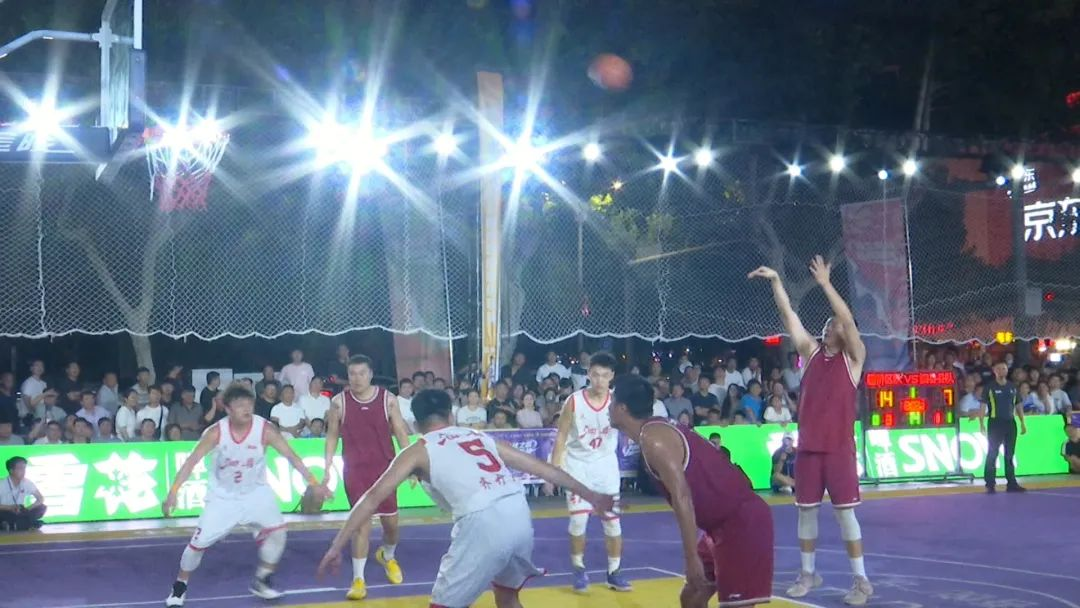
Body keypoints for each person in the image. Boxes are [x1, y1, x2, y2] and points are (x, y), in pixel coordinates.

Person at [317, 389, 614, 608]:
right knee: (507, 597)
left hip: (481, 522)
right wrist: (591, 495)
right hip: (518, 512)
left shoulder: (417, 450)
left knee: (443, 605)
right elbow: (542, 468)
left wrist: (336, 545)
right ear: (450, 416)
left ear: (415, 424)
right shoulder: (478, 436)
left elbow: (370, 499)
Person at [750, 255, 873, 605]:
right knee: (805, 511)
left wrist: (825, 284)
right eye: (827, 324)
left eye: (834, 324)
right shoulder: (811, 353)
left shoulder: (854, 359)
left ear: (844, 332)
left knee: (845, 514)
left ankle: (861, 580)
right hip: (809, 450)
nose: (828, 327)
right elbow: (788, 315)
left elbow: (846, 317)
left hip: (839, 450)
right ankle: (808, 573)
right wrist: (776, 281)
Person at [609, 375, 773, 608]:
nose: (608, 407)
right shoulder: (655, 430)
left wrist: (691, 557)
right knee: (692, 597)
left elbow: (682, 497)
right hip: (719, 525)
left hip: (740, 521)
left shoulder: (654, 440)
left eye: (612, 401)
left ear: (622, 408)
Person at [162, 383, 330, 607]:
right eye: (240, 405)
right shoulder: (215, 432)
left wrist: (314, 483)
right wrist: (173, 492)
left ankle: (262, 580)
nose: (246, 408)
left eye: (249, 404)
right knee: (198, 544)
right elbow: (190, 463)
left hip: (256, 493)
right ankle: (180, 586)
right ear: (227, 409)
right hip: (223, 497)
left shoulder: (265, 429)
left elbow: (292, 457)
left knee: (278, 533)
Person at [323, 355, 413, 600]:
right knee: (361, 525)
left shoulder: (388, 399)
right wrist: (327, 466)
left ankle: (387, 555)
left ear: (371, 374)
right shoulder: (339, 403)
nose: (357, 378)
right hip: (355, 471)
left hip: (385, 470)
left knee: (391, 525)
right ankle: (358, 580)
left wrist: (411, 465)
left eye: (361, 373)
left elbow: (400, 432)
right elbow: (332, 436)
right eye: (352, 374)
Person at [549, 351, 630, 593]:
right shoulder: (574, 401)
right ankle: (578, 568)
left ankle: (614, 572)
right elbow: (561, 435)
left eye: (604, 375)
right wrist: (553, 470)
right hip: (578, 467)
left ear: (611, 376)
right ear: (588, 374)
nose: (599, 380)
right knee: (578, 521)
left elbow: (631, 427)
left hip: (606, 468)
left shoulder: (618, 402)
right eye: (595, 375)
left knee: (613, 524)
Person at [979, 361, 1027, 493]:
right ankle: (990, 483)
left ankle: (1011, 483)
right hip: (995, 423)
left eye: (1004, 368)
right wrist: (981, 423)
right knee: (993, 452)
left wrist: (1022, 422)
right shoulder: (989, 387)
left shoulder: (1012, 387)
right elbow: (983, 405)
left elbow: (1018, 405)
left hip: (1010, 423)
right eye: (999, 368)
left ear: (1007, 370)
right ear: (994, 371)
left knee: (1010, 454)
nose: (1002, 371)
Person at [0, 456, 47, 531]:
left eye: (24, 468)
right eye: (20, 468)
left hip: (20, 511)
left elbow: (40, 498)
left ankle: (12, 525)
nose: (24, 471)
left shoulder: (26, 482)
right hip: (5, 510)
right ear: (11, 470)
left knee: (42, 507)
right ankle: (27, 523)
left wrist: (27, 509)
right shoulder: (2, 483)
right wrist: (10, 507)